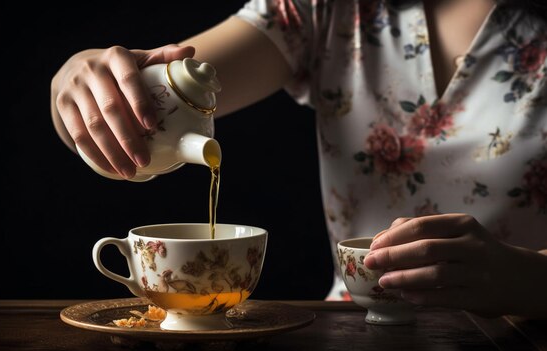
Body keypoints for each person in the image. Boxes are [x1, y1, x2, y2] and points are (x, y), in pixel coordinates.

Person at [51, 0, 547, 318]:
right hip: (351, 331)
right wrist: (77, 79)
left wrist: (530, 279)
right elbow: (160, 94)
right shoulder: (330, 10)